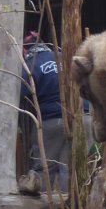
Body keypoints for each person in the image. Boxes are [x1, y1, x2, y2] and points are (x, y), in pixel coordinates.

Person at [21, 31, 67, 193]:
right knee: (70, 167)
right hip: (84, 117)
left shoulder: (30, 64)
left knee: (44, 167)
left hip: (51, 121)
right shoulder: (64, 56)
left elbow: (20, 92)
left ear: (25, 50)